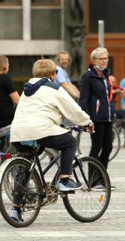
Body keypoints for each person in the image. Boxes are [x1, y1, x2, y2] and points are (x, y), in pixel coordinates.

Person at [9, 59, 94, 222]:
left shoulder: (27, 89)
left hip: (19, 132)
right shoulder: (54, 88)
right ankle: (65, 180)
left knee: (25, 166)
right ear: (51, 74)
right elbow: (72, 108)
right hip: (41, 129)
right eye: (55, 72)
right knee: (69, 142)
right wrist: (87, 122)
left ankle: (16, 209)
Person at [79, 47, 113, 189]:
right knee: (96, 147)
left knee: (108, 147)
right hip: (96, 118)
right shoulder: (88, 76)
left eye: (106, 58)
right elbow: (84, 99)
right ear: (94, 60)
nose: (104, 61)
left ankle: (102, 178)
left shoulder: (105, 75)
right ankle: (93, 180)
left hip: (107, 117)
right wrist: (87, 119)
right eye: (101, 58)